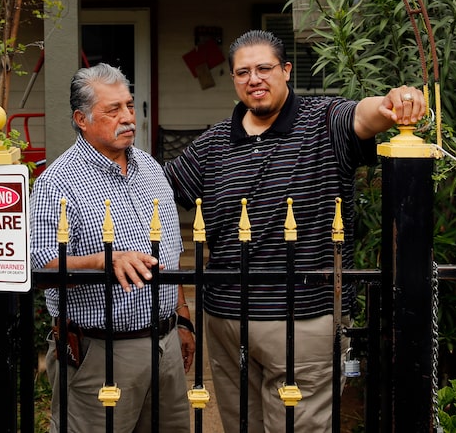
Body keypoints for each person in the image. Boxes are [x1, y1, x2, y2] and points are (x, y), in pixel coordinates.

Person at [164, 29, 427, 433]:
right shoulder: (214, 143)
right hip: (226, 322)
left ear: (286, 71)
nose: (254, 79)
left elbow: (363, 115)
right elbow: (159, 196)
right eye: (243, 72)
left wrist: (392, 102)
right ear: (234, 80)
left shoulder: (324, 122)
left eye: (265, 68)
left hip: (303, 321)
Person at [30, 63, 195, 433]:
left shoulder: (151, 169)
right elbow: (40, 268)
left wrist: (182, 318)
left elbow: (168, 254)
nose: (128, 118)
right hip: (99, 352)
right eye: (113, 110)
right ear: (82, 119)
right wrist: (103, 261)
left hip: (165, 343)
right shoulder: (57, 182)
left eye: (130, 106)